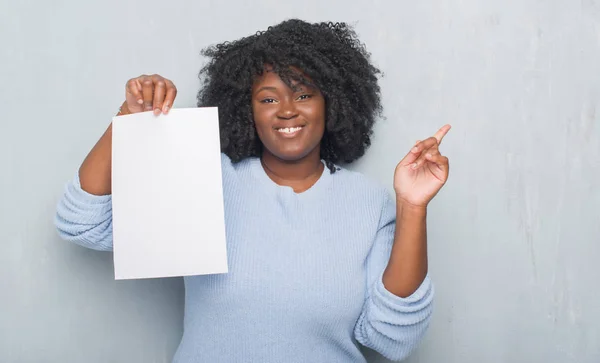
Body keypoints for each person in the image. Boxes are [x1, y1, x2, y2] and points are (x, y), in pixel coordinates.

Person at [55, 19, 450, 363]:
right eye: (268, 99)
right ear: (248, 111)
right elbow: (81, 224)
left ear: (332, 104)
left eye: (304, 94)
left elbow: (393, 337)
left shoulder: (370, 202)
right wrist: (127, 121)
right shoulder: (208, 177)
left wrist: (412, 206)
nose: (287, 110)